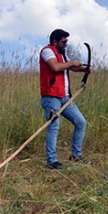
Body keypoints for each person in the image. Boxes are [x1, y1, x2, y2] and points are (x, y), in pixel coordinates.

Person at [39, 28, 90, 170]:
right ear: (55, 41)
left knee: (81, 122)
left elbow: (69, 68)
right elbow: (55, 67)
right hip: (51, 97)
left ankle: (76, 155)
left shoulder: (62, 54)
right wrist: (73, 62)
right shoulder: (47, 51)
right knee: (54, 127)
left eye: (66, 41)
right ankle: (52, 160)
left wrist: (83, 70)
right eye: (63, 41)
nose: (66, 44)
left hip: (65, 97)